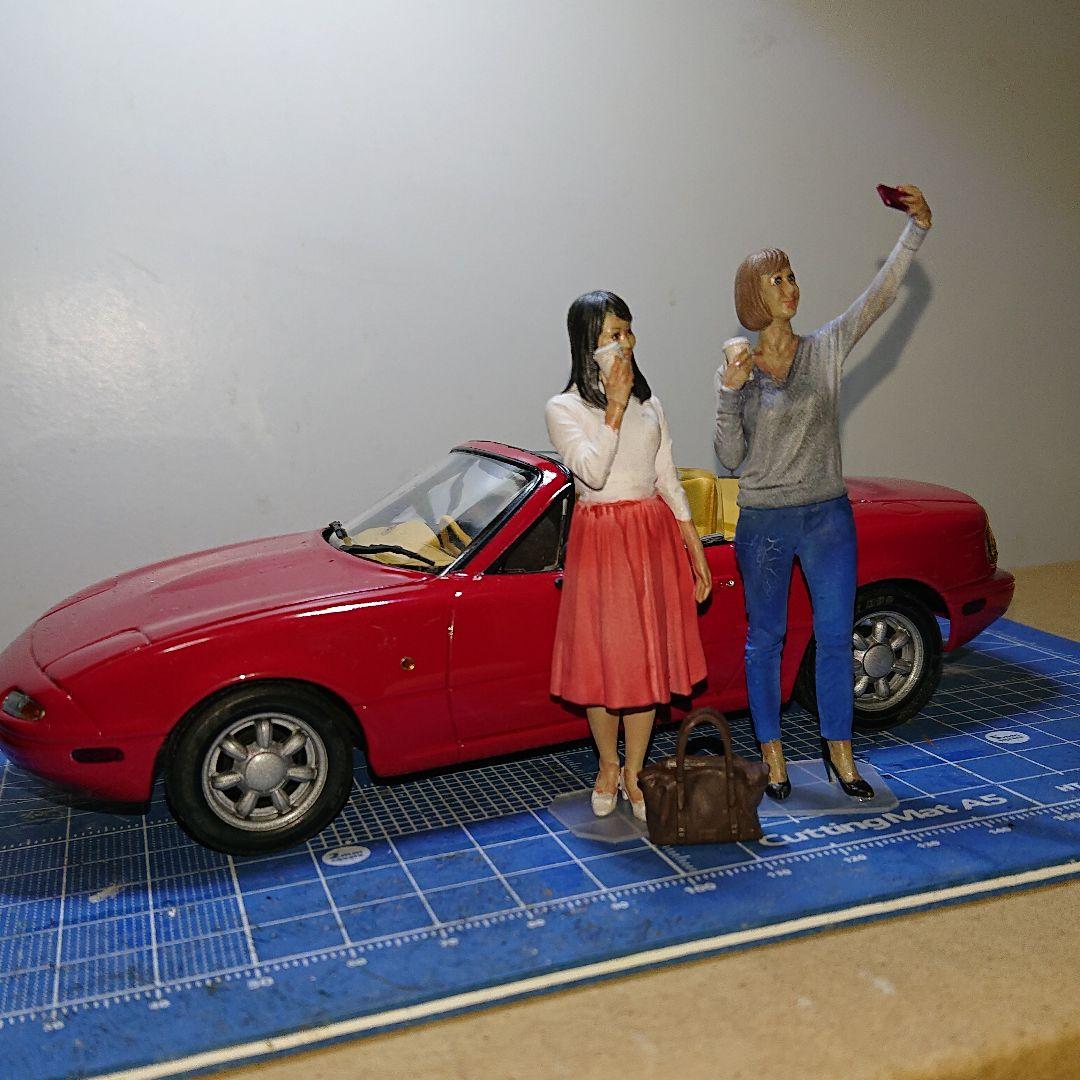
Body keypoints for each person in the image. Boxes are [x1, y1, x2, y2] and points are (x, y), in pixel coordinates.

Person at [715, 185, 933, 800]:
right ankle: (773, 754)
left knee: (837, 636)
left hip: (828, 517)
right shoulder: (739, 369)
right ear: (755, 295)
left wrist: (916, 229)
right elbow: (729, 457)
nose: (791, 287)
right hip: (765, 521)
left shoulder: (827, 346)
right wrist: (730, 392)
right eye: (777, 280)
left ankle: (841, 752)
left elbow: (879, 296)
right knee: (766, 639)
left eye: (792, 276)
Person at [546, 291, 711, 820]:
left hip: (650, 536)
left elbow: (667, 479)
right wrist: (614, 407)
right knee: (601, 660)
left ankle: (636, 769)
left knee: (644, 662)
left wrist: (695, 550)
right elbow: (592, 473)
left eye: (628, 331)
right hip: (601, 540)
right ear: (586, 343)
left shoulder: (651, 404)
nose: (624, 343)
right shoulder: (564, 409)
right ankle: (608, 766)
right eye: (612, 334)